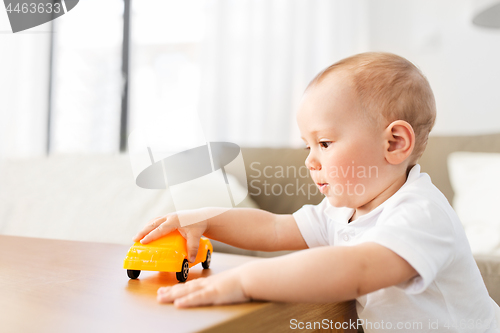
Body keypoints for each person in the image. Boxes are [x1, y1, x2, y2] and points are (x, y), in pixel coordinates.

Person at [133, 52, 499, 332]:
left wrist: (245, 280)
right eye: (308, 146)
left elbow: (356, 269)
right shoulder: (343, 210)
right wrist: (206, 219)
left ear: (394, 142)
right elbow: (274, 229)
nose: (310, 160)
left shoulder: (420, 213)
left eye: (324, 142)